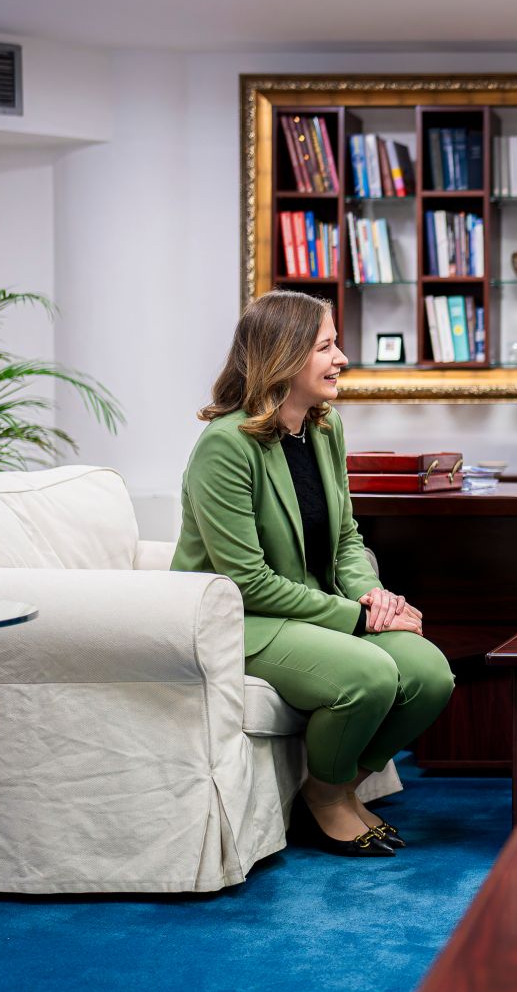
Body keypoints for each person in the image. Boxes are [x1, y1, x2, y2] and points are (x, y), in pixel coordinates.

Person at [173, 290, 455, 857]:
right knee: (371, 675)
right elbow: (245, 582)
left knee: (429, 675)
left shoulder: (324, 428)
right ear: (284, 355)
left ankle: (339, 786)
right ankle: (325, 800)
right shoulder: (225, 447)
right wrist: (359, 621)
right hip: (240, 620)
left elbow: (346, 537)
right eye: (326, 346)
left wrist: (375, 597)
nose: (341, 358)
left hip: (312, 608)